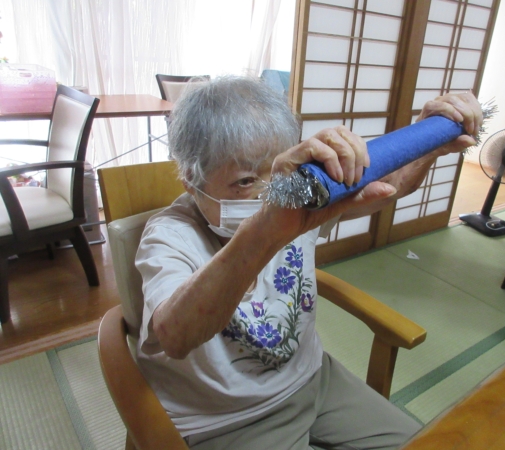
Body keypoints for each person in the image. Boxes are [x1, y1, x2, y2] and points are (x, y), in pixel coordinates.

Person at [135, 75, 482, 449]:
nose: (271, 194)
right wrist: (265, 229)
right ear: (191, 179)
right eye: (246, 181)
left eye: (275, 173)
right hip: (226, 417)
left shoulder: (298, 192)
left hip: (315, 378)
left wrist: (429, 137)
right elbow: (176, 336)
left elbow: (390, 184)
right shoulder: (169, 236)